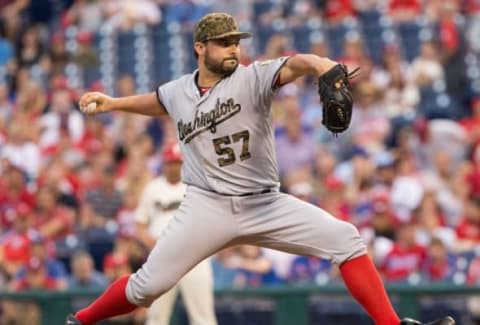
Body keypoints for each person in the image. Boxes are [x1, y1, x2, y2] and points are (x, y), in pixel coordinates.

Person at [66, 12, 455, 325]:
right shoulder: (178, 90)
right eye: (224, 42)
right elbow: (158, 101)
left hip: (264, 203)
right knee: (145, 289)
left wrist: (322, 66)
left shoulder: (253, 77)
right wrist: (114, 104)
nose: (233, 48)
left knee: (347, 239)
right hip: (208, 206)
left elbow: (298, 63)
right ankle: (80, 321)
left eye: (236, 41)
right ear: (200, 48)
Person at [135, 141, 217, 325]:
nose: (173, 167)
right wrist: (149, 241)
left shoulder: (197, 186)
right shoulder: (153, 188)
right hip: (161, 257)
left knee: (203, 316)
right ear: (163, 163)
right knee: (156, 317)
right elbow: (140, 222)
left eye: (177, 163)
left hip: (193, 256)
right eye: (170, 162)